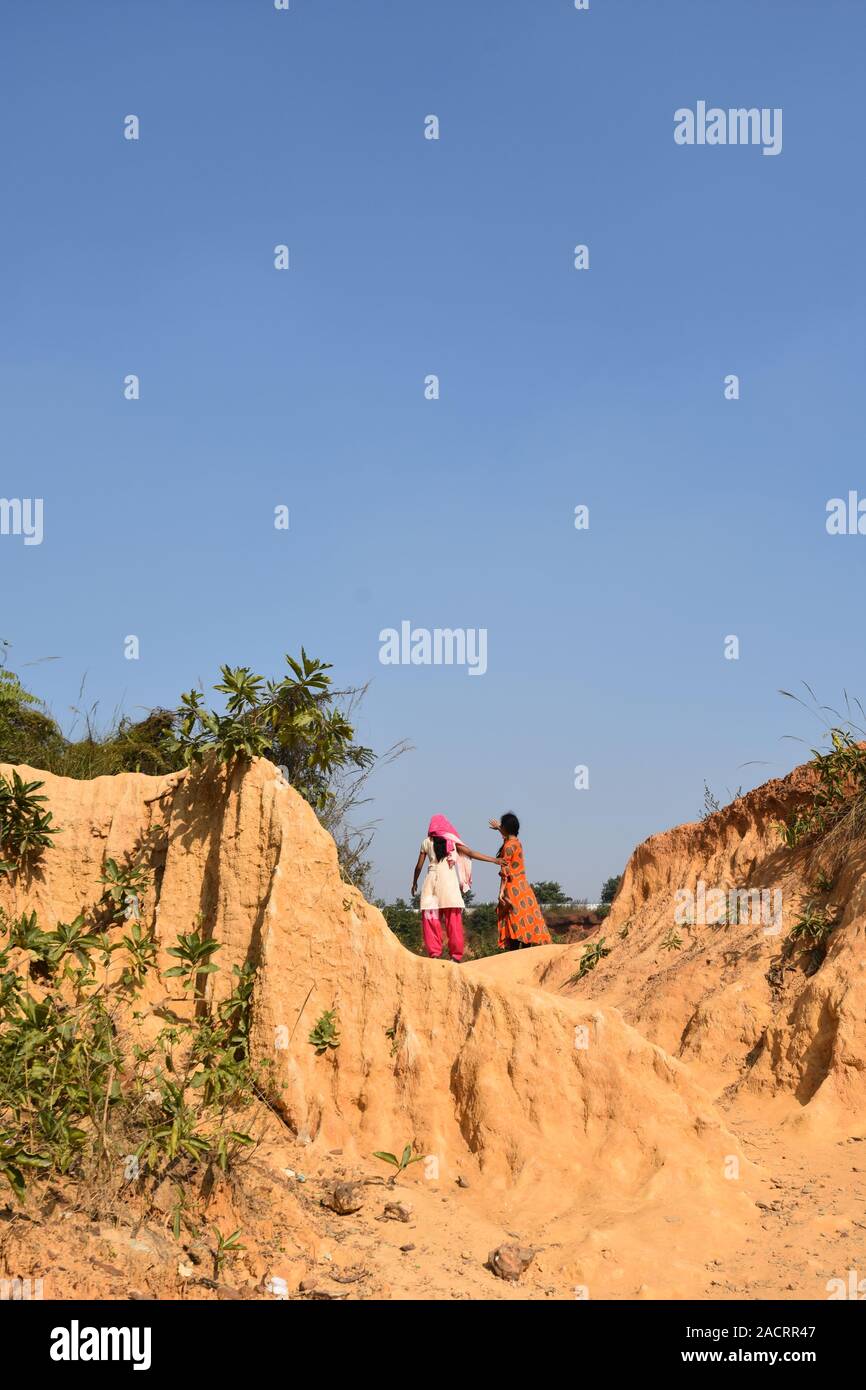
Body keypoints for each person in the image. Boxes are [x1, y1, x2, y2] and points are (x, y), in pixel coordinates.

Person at [411, 814, 501, 963]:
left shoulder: (426, 842)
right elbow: (471, 853)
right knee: (454, 922)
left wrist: (414, 882)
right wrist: (494, 860)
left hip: (431, 882)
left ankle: (434, 954)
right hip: (449, 884)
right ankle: (456, 956)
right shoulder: (452, 842)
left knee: (431, 919)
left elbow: (419, 866)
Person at [490, 812, 552, 951]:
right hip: (524, 889)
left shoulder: (508, 846)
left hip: (512, 889)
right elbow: (509, 838)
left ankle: (514, 959)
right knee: (525, 925)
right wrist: (500, 828)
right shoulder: (517, 843)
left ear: (506, 828)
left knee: (513, 923)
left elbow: (505, 872)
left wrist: (500, 893)